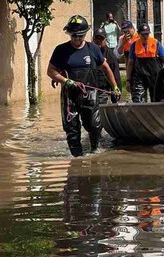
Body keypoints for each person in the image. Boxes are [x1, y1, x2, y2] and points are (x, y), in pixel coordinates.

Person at [47, 15, 121, 157]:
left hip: (91, 94)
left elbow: (106, 67)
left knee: (94, 126)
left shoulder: (92, 49)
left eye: (80, 36)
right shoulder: (61, 50)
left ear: (85, 34)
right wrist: (65, 81)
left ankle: (94, 151)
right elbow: (51, 71)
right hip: (70, 96)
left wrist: (115, 86)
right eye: (74, 36)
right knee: (72, 129)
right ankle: (77, 158)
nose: (76, 39)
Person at [127, 23, 164, 102]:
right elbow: (130, 63)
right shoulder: (134, 45)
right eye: (143, 34)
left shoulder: (156, 43)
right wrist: (128, 80)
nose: (145, 36)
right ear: (138, 34)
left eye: (147, 34)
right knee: (138, 101)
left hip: (155, 76)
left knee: (157, 100)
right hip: (140, 77)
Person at [92, 26, 122, 104]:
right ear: (93, 39)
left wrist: (116, 89)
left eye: (101, 39)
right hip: (89, 88)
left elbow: (116, 74)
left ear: (105, 40)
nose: (98, 41)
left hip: (102, 90)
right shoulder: (88, 51)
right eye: (96, 39)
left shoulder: (110, 55)